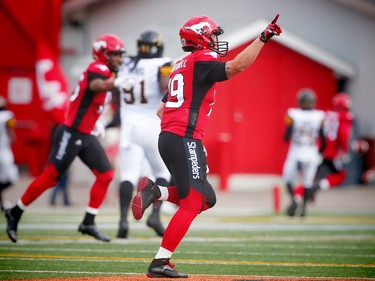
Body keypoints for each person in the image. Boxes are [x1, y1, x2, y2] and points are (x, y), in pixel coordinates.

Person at [130, 14, 282, 278]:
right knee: (193, 201)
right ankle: (159, 263)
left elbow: (160, 110)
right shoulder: (202, 59)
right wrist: (262, 38)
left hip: (169, 137)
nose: (216, 40)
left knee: (206, 198)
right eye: (213, 35)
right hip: (183, 137)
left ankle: (158, 192)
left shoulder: (181, 64)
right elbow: (235, 67)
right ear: (199, 36)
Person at [4, 33, 134, 243]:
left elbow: (88, 100)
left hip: (86, 133)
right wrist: (116, 84)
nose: (120, 58)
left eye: (120, 54)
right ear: (103, 54)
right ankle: (15, 212)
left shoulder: (106, 72)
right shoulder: (98, 69)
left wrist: (96, 122)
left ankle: (88, 222)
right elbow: (97, 86)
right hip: (71, 133)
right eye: (116, 54)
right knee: (50, 178)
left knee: (106, 174)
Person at [114, 30, 173, 238]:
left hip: (128, 125)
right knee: (163, 173)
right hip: (151, 123)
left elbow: (114, 87)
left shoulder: (125, 63)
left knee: (128, 174)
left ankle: (122, 221)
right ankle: (155, 216)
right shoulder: (163, 62)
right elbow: (165, 86)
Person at [282, 89, 325, 217]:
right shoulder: (319, 116)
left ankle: (295, 200)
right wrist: (320, 152)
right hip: (312, 153)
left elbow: (286, 137)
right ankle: (304, 210)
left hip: (296, 152)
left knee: (288, 179)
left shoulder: (293, 114)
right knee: (307, 182)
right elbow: (323, 139)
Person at [313, 92, 354, 191]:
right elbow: (344, 134)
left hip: (318, 148)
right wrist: (344, 150)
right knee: (341, 175)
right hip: (331, 151)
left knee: (311, 175)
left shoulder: (325, 113)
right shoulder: (344, 116)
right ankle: (319, 186)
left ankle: (301, 194)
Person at [0, 96, 19, 212]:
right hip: (3, 151)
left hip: (3, 150)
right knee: (12, 177)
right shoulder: (7, 116)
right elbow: (12, 136)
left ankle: (2, 204)